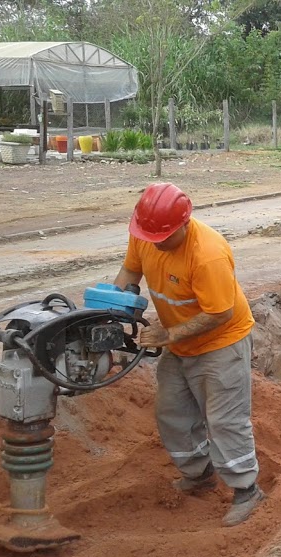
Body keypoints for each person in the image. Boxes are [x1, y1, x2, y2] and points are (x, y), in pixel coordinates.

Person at [112, 182, 263, 527]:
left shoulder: (207, 254)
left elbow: (219, 314)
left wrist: (169, 334)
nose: (154, 243)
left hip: (220, 343)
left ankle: (246, 490)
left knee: (225, 420)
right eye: (148, 236)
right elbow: (131, 270)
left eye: (162, 237)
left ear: (183, 223)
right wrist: (110, 306)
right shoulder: (147, 232)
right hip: (177, 344)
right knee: (172, 412)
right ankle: (199, 474)